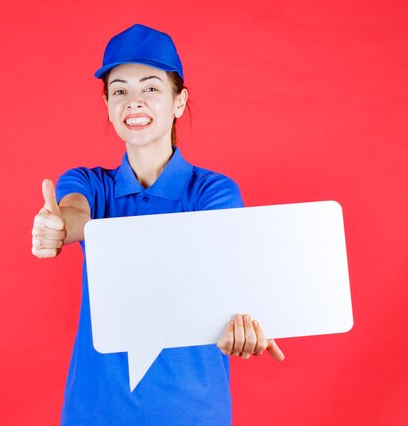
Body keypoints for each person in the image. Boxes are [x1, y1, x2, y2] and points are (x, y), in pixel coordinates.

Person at [31, 23, 285, 425]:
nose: (134, 102)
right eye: (120, 91)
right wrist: (58, 226)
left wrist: (242, 324)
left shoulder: (212, 193)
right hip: (94, 411)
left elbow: (227, 277)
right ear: (108, 107)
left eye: (150, 88)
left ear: (179, 102)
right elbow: (76, 212)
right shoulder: (89, 185)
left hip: (191, 411)